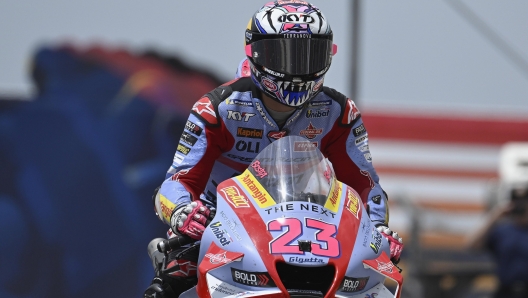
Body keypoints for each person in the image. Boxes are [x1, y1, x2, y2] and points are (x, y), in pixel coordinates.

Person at [145, 1, 403, 297]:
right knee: (168, 287)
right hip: (220, 229)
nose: (297, 70)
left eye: (309, 55)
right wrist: (181, 212)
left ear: (328, 55)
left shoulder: (339, 111)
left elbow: (365, 185)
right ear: (254, 53)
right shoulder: (217, 108)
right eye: (282, 55)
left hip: (311, 230)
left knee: (378, 282)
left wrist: (378, 229)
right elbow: (176, 182)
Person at [466, 185, 528, 298]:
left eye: (524, 202)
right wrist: (495, 215)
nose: (521, 206)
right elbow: (472, 245)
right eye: (517, 202)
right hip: (506, 291)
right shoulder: (503, 230)